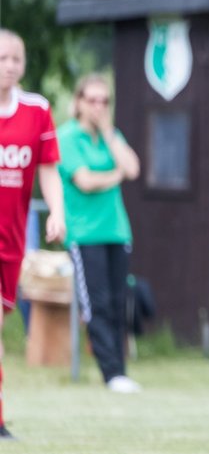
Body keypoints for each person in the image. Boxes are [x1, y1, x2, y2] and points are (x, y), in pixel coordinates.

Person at [58, 74, 143, 393]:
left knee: (120, 302)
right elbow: (85, 181)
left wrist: (109, 134)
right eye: (92, 100)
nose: (98, 107)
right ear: (79, 102)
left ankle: (120, 371)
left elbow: (132, 169)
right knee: (98, 304)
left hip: (116, 231)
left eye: (104, 101)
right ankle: (110, 373)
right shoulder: (66, 137)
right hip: (84, 234)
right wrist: (115, 175)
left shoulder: (111, 135)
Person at [0, 30, 65, 438]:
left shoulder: (37, 111)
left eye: (16, 59)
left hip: (12, 242)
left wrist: (56, 210)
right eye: (2, 58)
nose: (9, 66)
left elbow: (47, 169)